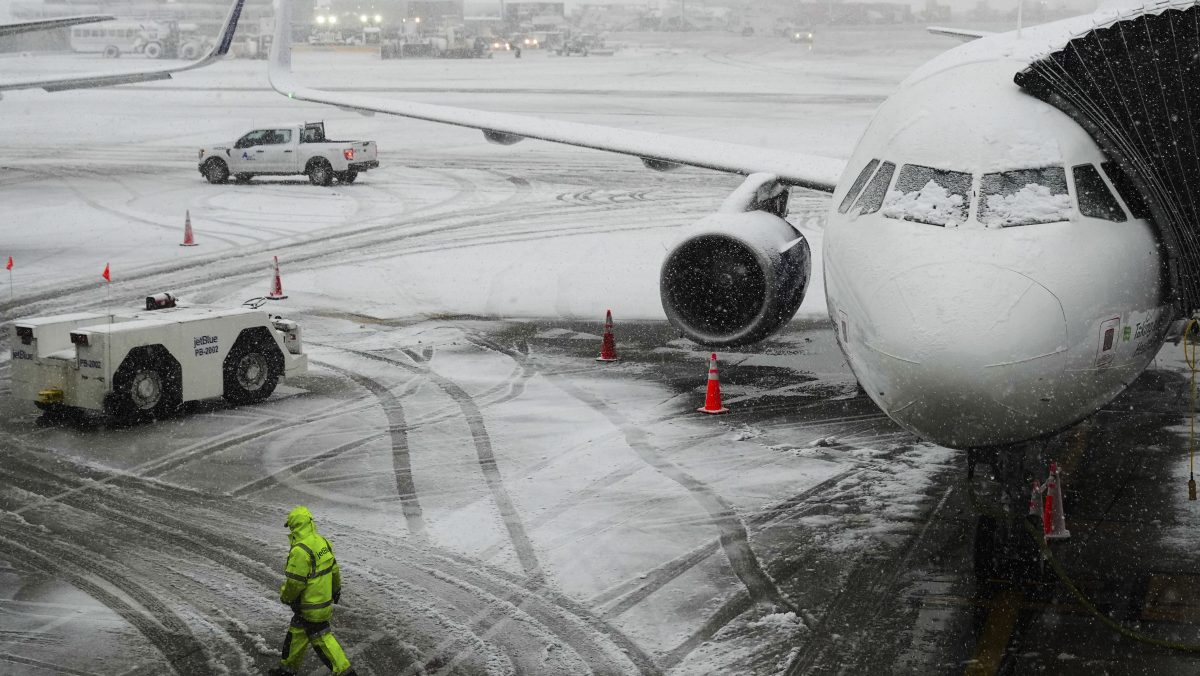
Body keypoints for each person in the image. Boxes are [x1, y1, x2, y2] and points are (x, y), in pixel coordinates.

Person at [268, 506, 357, 676]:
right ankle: (287, 670)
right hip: (322, 603)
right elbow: (334, 570)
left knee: (323, 639)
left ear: (294, 526)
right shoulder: (323, 542)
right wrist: (336, 589)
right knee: (297, 631)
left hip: (309, 606)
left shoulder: (300, 551)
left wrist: (286, 597)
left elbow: (295, 583)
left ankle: (345, 672)